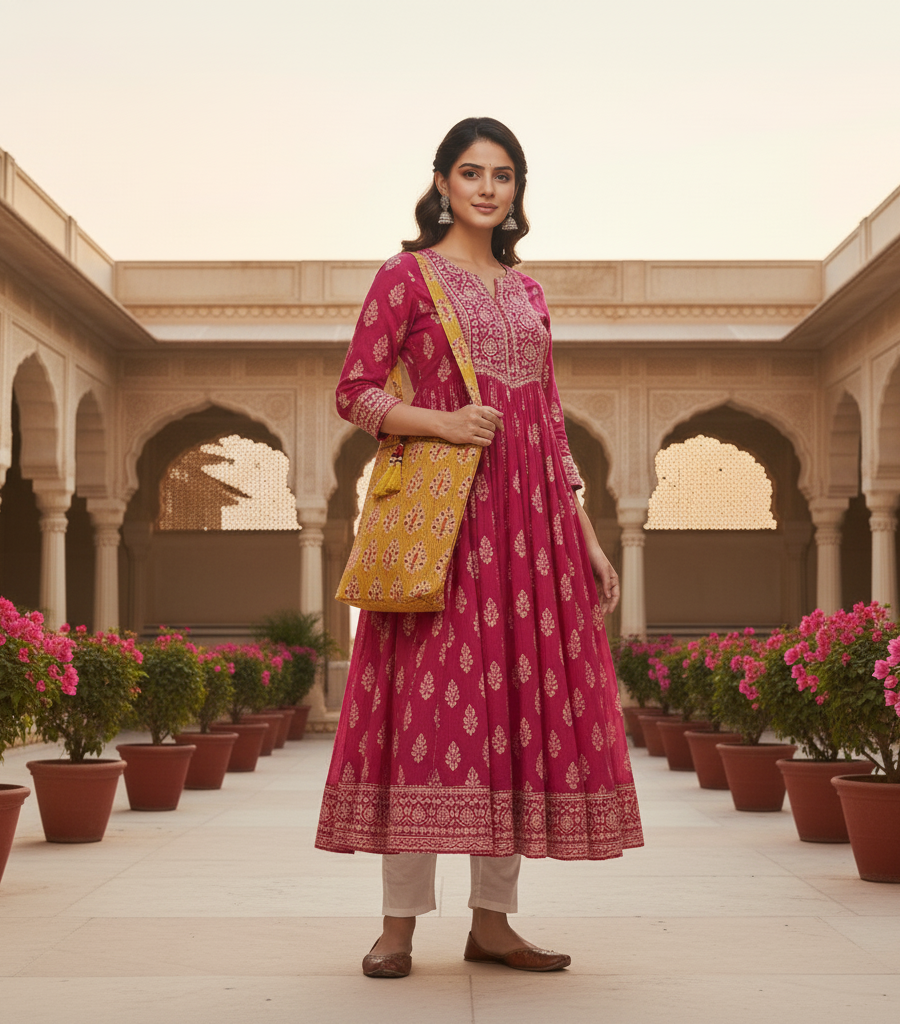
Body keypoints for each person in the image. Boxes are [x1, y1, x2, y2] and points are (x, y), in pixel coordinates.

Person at [316, 117, 643, 977]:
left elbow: (547, 424)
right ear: (442, 182)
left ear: (517, 190)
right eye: (472, 172)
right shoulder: (406, 276)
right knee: (428, 714)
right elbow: (353, 391)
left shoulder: (527, 294)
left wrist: (588, 536)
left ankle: (492, 920)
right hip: (445, 528)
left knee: (516, 717)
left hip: (532, 531)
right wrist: (443, 420)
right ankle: (397, 926)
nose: (489, 188)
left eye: (504, 174)